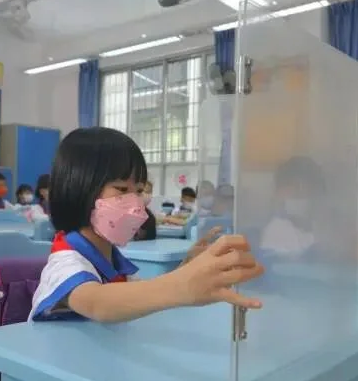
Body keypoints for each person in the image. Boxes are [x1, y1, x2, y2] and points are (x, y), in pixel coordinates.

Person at [29, 127, 264, 323]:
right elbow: (98, 303)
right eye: (122, 189)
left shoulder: (113, 261)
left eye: (139, 190)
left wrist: (184, 270)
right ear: (78, 189)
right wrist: (182, 284)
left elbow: (135, 297)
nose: (136, 202)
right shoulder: (65, 262)